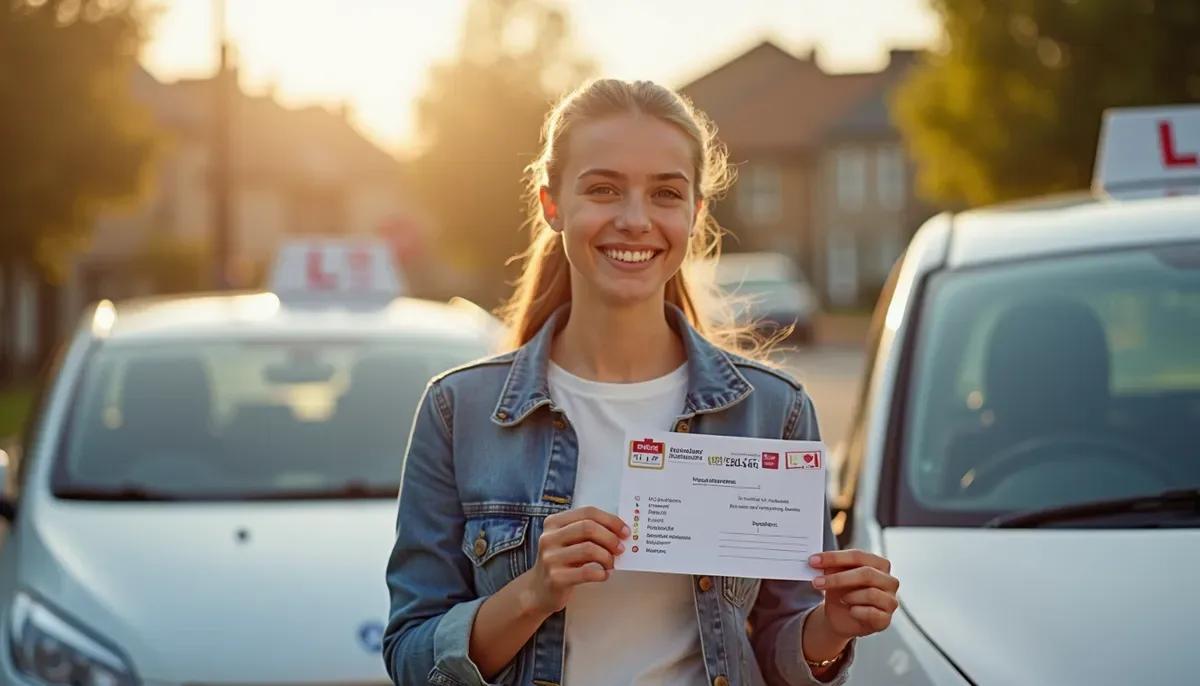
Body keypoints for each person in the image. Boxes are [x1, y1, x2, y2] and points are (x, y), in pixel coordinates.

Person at [383, 79, 899, 686]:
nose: (634, 220)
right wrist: (533, 593)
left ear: (694, 214)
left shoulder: (773, 411)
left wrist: (832, 627)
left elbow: (783, 648)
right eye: (603, 189)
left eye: (665, 194)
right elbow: (412, 658)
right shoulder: (458, 411)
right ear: (553, 205)